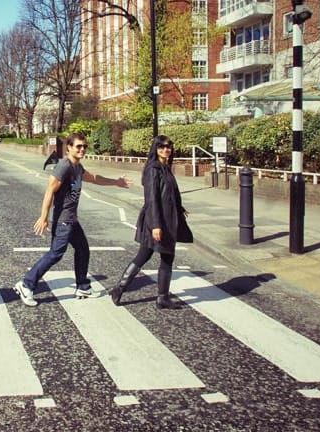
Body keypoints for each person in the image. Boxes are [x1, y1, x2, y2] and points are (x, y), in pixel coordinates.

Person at [13, 132, 132, 307]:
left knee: (83, 249)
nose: (82, 149)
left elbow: (94, 178)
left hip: (71, 219)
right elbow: (49, 191)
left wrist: (116, 182)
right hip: (63, 220)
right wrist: (44, 217)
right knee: (55, 254)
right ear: (69, 147)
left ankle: (82, 286)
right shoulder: (64, 167)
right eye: (78, 146)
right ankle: (26, 284)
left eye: (84, 146)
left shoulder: (77, 167)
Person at [108, 135, 193, 310]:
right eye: (161, 147)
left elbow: (169, 193)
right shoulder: (153, 169)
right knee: (145, 255)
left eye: (168, 146)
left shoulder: (165, 167)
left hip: (168, 218)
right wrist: (155, 225)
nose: (165, 149)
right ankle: (119, 289)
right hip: (157, 220)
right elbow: (152, 199)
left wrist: (180, 207)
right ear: (155, 148)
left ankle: (161, 297)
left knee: (164, 256)